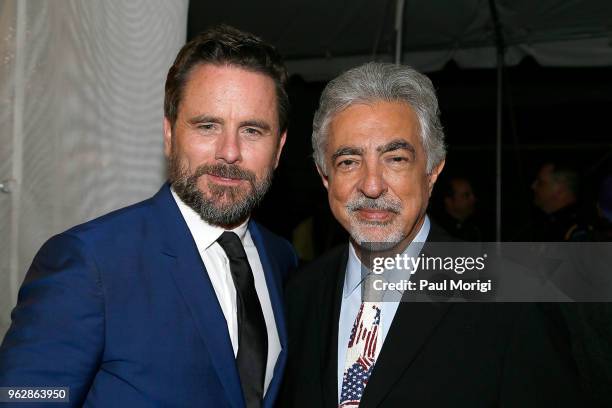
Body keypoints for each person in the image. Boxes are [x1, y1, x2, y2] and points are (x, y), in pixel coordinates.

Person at [0, 25, 297, 407]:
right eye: (207, 126)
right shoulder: (90, 263)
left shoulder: (281, 259)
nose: (229, 152)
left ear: (278, 148)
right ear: (170, 134)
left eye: (252, 130)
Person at [279, 62, 583, 407]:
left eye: (396, 159)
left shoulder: (513, 299)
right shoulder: (299, 295)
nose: (372, 185)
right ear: (325, 176)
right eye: (349, 161)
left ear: (432, 172)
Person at [435, 175, 481, 241]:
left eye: (473, 194)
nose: (473, 199)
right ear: (449, 201)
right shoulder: (438, 230)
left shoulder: (473, 230)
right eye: (466, 195)